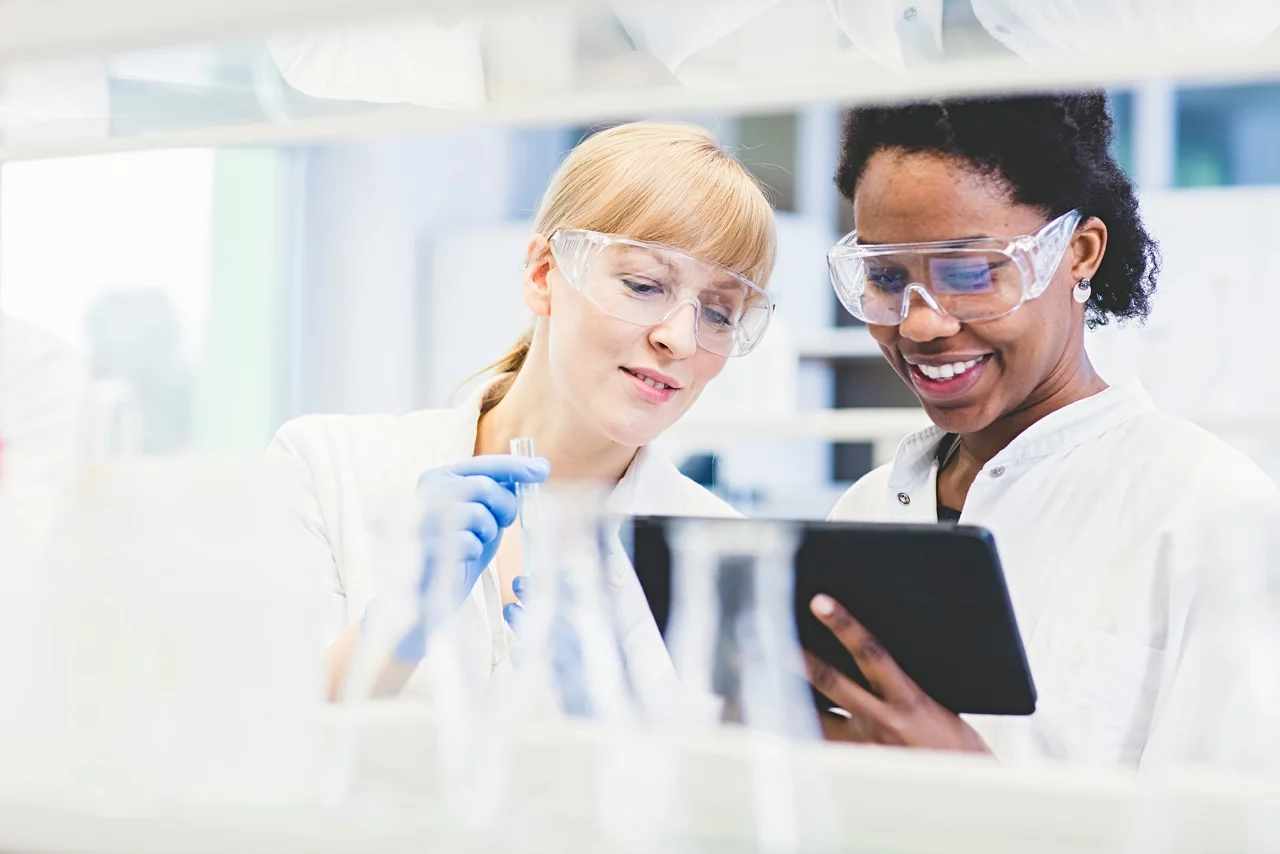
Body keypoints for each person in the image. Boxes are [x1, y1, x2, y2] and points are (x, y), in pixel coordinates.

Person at [804, 92, 1280, 769]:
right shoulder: (865, 511)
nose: (920, 324)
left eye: (972, 273)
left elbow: (1236, 818)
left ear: (1079, 253)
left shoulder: (1210, 511)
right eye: (884, 277)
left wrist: (974, 789)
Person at [269, 122, 777, 701]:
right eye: (643, 285)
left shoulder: (730, 559)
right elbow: (253, 732)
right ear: (543, 274)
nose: (680, 340)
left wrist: (612, 730)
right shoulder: (326, 469)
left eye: (719, 313)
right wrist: (397, 624)